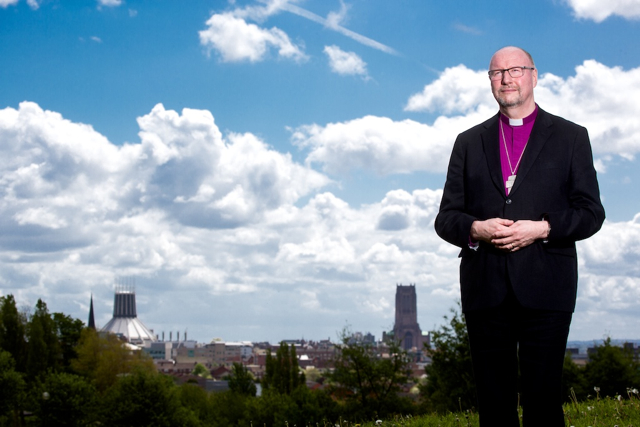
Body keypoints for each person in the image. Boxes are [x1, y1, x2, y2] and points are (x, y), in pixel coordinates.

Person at [434, 46, 605, 426]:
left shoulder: (571, 137)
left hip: (547, 287)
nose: (506, 79)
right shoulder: (468, 141)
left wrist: (542, 228)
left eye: (515, 70)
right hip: (485, 288)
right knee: (494, 406)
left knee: (543, 402)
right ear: (490, 82)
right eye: (497, 73)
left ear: (534, 75)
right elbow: (445, 218)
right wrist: (476, 229)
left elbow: (592, 213)